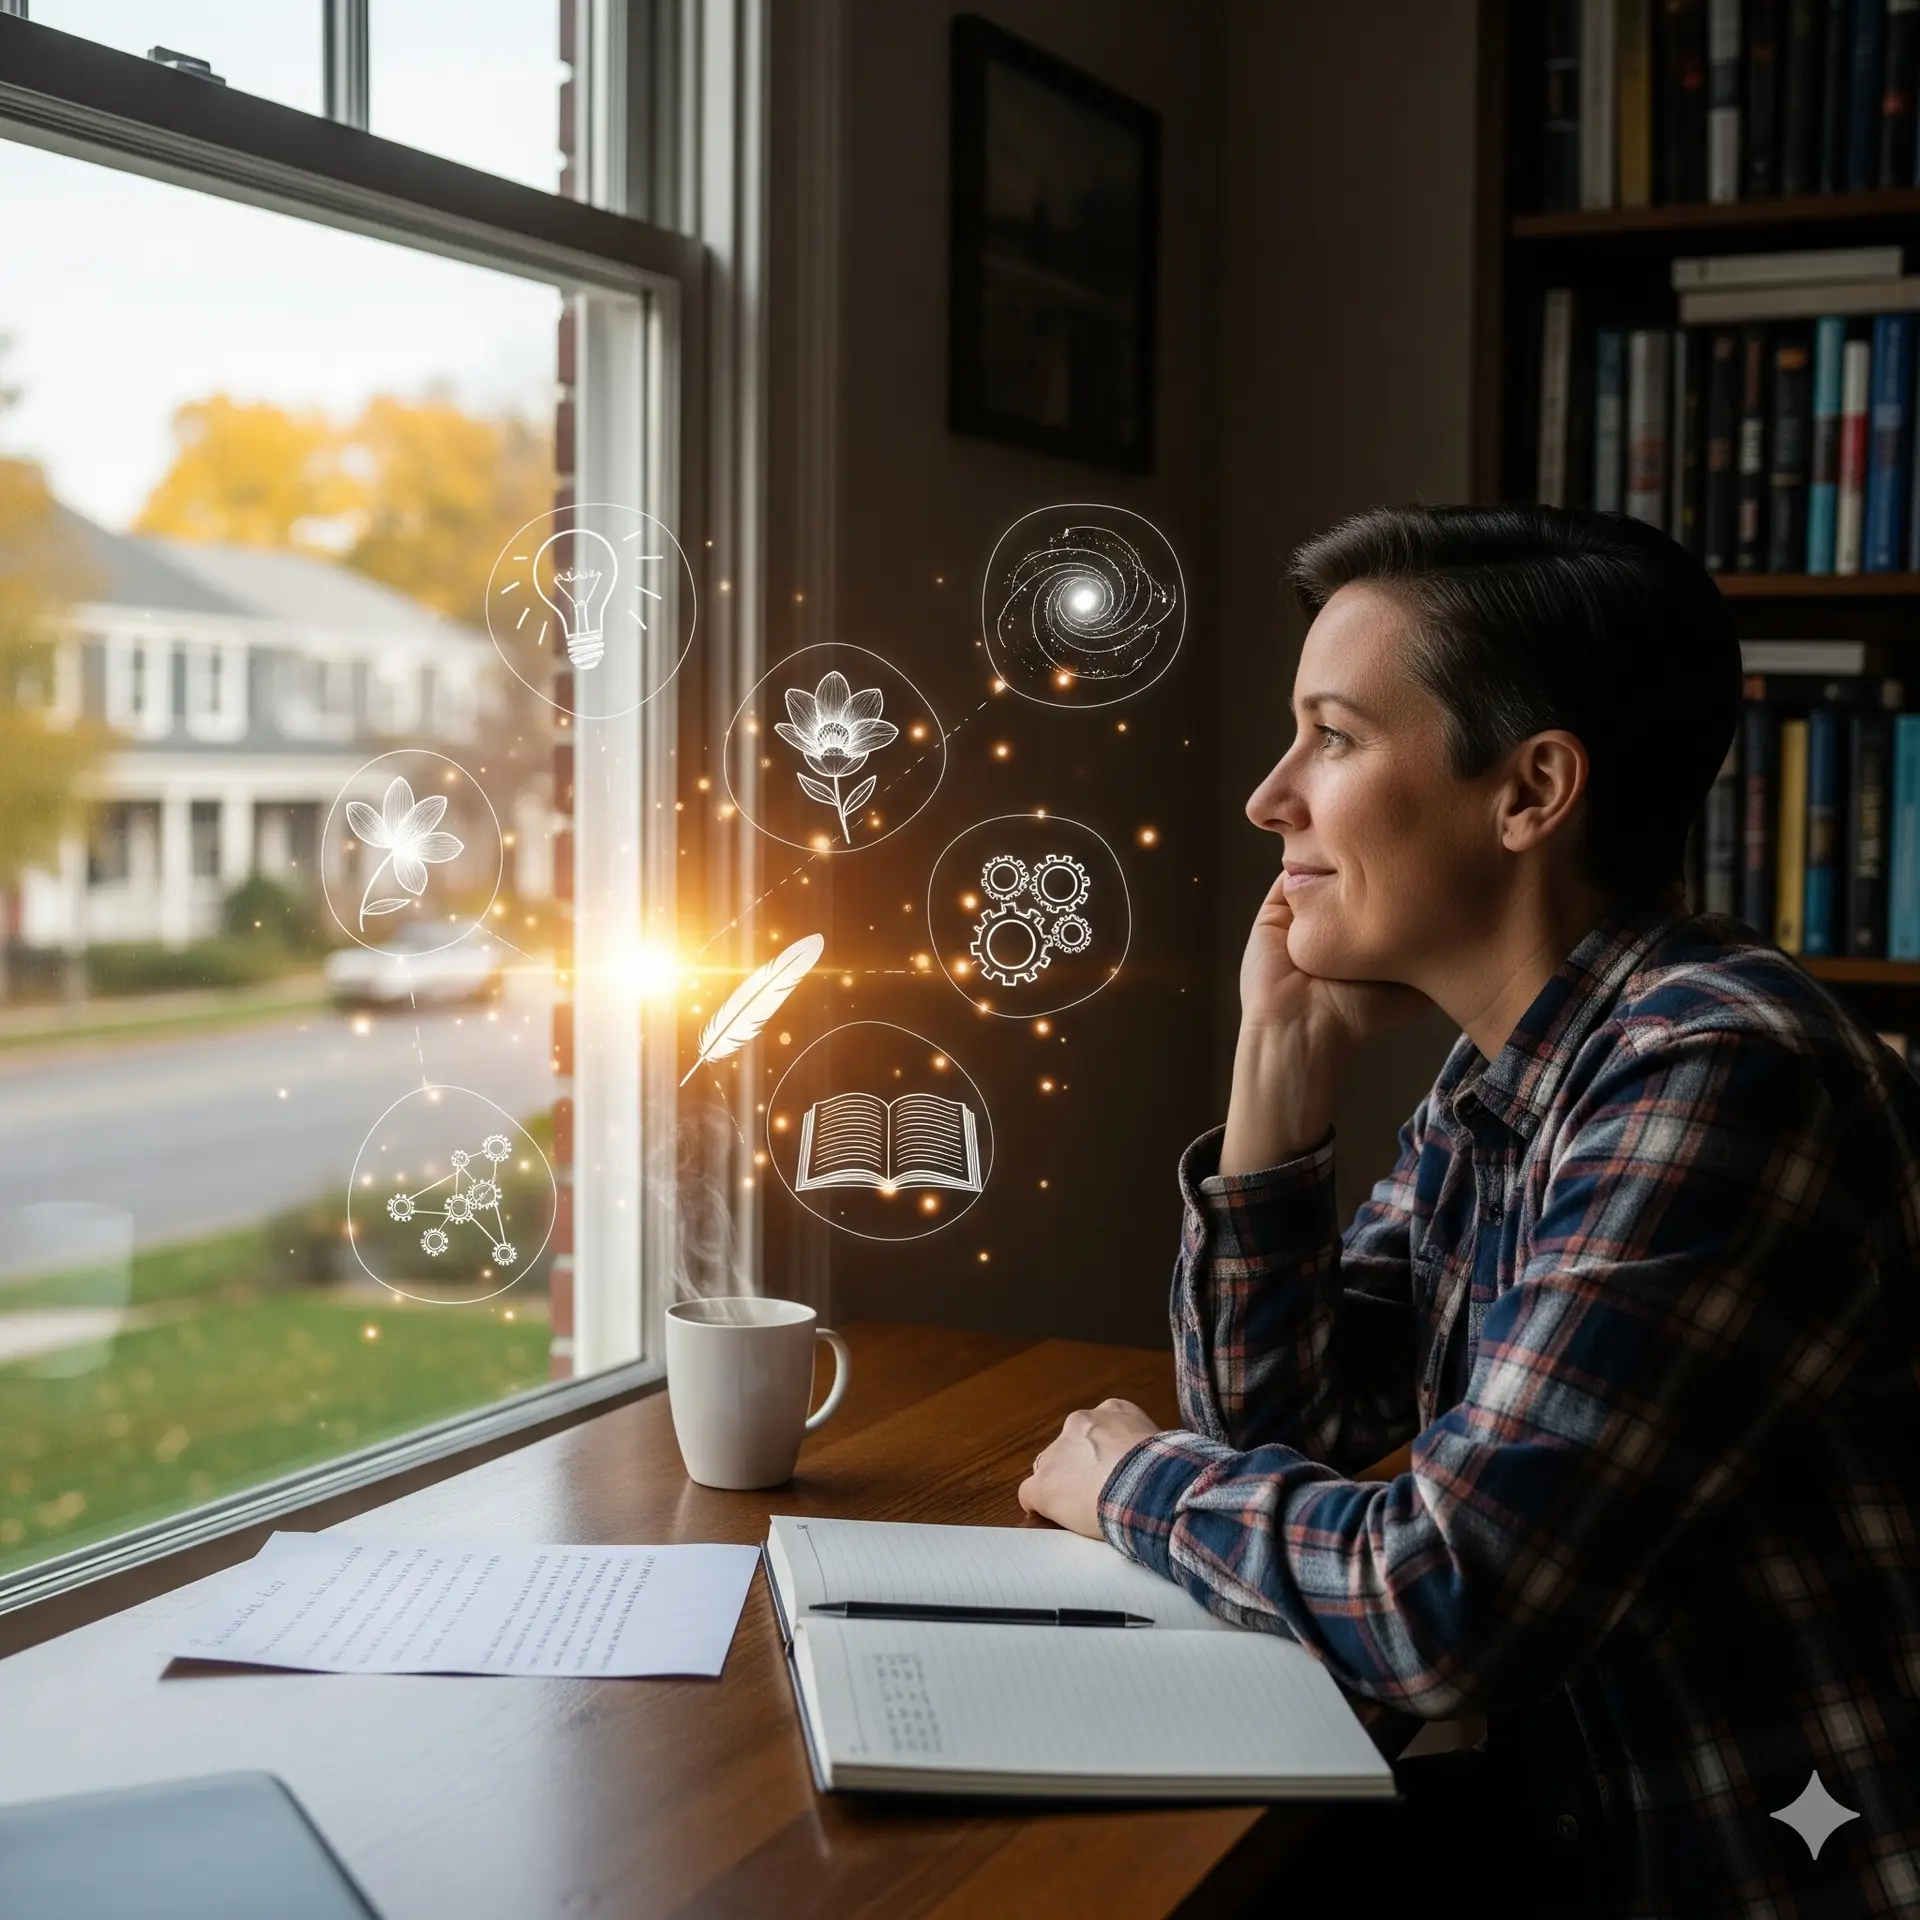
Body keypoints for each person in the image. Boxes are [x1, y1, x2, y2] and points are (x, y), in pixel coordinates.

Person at [1017, 505, 1920, 1918]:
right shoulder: (1516, 1070)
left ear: (1530, 791)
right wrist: (1280, 1063)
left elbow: (1448, 1601)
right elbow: (1286, 1425)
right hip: (1582, 1820)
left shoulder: (1719, 1071)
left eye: (1332, 736)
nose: (1271, 799)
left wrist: (1128, 1481)